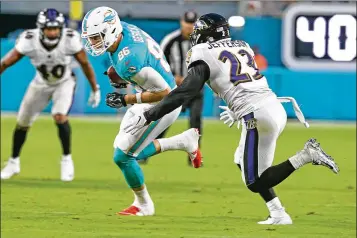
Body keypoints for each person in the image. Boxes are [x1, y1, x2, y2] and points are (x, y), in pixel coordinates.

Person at [123, 13, 340, 224]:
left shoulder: (202, 51)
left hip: (257, 114)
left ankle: (306, 155)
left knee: (254, 181)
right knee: (240, 160)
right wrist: (237, 109)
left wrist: (150, 114)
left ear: (207, 34)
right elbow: (243, 84)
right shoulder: (242, 45)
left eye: (199, 31)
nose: (196, 35)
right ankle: (278, 213)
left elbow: (185, 92)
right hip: (272, 107)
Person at [81, 6, 202, 216]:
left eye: (96, 37)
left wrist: (125, 99)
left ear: (110, 30)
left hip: (163, 104)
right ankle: (182, 141)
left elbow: (164, 92)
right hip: (153, 96)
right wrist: (121, 77)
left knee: (123, 156)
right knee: (123, 151)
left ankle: (144, 205)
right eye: (91, 38)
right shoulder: (124, 31)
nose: (93, 43)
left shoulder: (129, 60)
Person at [0, 8, 101, 182]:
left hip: (64, 82)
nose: (53, 32)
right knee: (22, 122)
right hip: (40, 83)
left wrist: (95, 88)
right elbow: (7, 62)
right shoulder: (29, 40)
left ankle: (66, 159)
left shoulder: (70, 39)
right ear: (41, 28)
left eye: (55, 28)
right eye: (49, 28)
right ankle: (13, 162)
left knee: (59, 116)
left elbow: (85, 64)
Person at [153, 10, 203, 167]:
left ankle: (194, 157)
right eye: (187, 23)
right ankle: (146, 150)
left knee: (196, 122)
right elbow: (159, 64)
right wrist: (174, 78)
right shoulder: (170, 41)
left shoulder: (202, 43)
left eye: (192, 24)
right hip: (175, 89)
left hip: (195, 89)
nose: (189, 27)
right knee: (164, 121)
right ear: (182, 22)